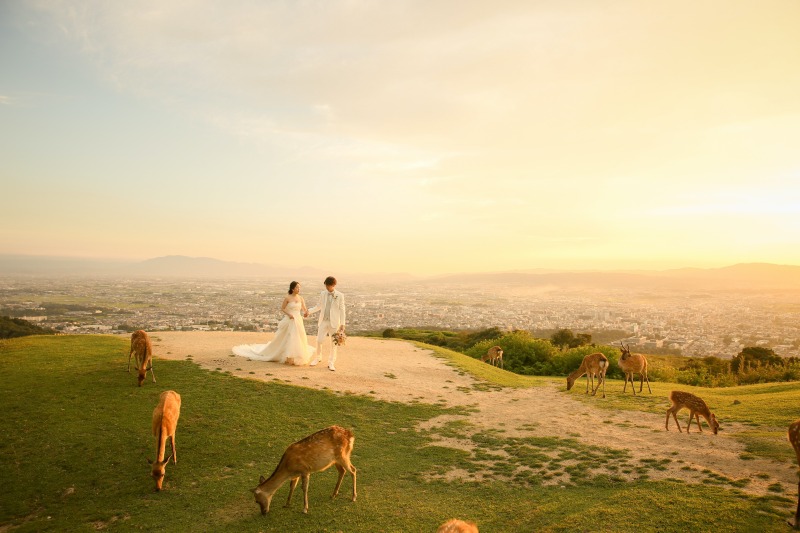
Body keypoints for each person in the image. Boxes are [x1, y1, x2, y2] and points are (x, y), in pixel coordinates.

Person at [232, 281, 314, 365]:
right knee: (289, 337)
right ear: (292, 289)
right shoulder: (287, 298)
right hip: (290, 320)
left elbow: (304, 309)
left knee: (298, 338)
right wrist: (289, 314)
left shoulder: (301, 298)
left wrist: (306, 313)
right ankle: (288, 357)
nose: (299, 289)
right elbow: (283, 308)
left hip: (298, 320)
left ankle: (296, 356)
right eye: (297, 287)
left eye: (299, 287)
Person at [306, 276, 346, 371]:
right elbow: (318, 306)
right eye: (326, 285)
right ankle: (318, 358)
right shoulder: (323, 294)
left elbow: (342, 310)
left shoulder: (340, 295)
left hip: (335, 323)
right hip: (323, 321)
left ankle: (331, 362)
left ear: (333, 285)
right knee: (319, 340)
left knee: (334, 343)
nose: (327, 287)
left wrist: (342, 324)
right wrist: (309, 311)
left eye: (328, 285)